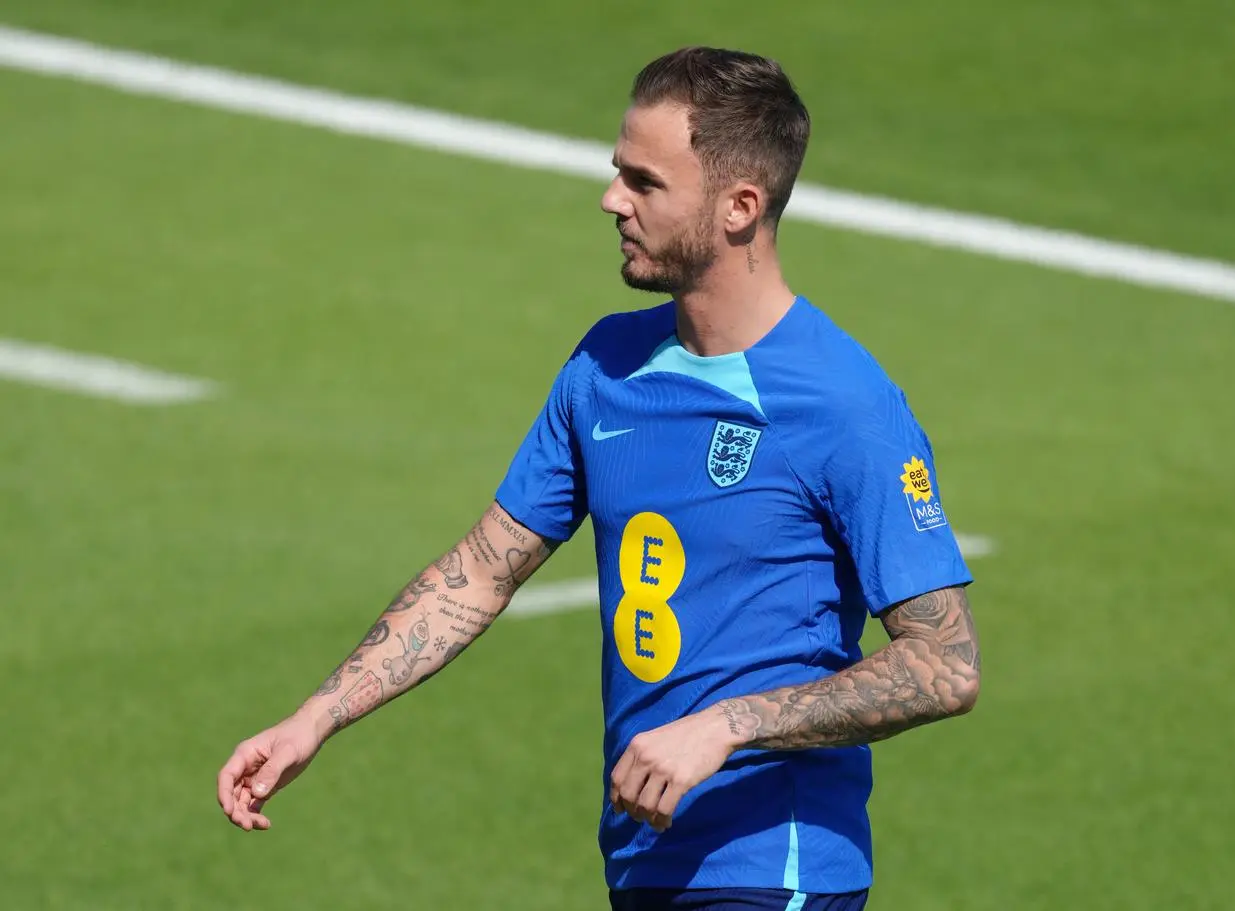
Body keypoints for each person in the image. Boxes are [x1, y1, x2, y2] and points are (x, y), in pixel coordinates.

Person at [217, 46, 981, 911]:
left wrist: (725, 727)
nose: (611, 199)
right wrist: (317, 715)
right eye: (618, 173)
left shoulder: (843, 404)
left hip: (772, 864)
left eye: (644, 182)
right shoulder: (606, 367)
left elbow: (943, 664)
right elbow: (482, 568)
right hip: (644, 860)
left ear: (739, 207)